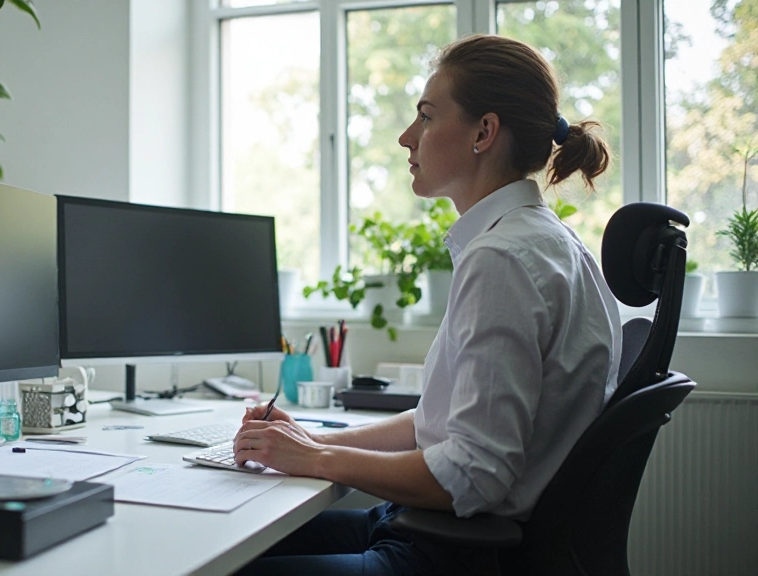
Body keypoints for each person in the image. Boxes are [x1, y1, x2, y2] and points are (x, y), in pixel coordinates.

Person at [233, 34, 621, 576]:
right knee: (232, 543)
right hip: (428, 530)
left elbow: (473, 473)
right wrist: (309, 439)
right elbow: (436, 423)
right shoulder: (541, 242)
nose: (406, 137)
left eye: (426, 116)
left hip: (447, 555)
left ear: (484, 132)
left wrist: (316, 459)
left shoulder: (504, 259)